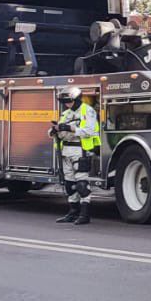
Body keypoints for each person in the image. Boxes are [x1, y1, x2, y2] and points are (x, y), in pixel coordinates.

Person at [50, 85, 100, 225]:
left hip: (80, 151)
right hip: (66, 152)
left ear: (77, 99)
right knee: (69, 185)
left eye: (69, 101)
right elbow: (57, 129)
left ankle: (85, 215)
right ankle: (73, 213)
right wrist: (54, 130)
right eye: (64, 101)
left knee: (82, 185)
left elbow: (89, 131)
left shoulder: (87, 110)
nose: (67, 104)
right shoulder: (66, 113)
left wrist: (70, 128)